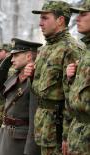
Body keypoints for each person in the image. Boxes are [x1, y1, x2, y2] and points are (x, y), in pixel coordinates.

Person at [24, 1, 82, 154]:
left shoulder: (70, 49)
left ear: (60, 20)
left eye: (45, 18)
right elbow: (41, 91)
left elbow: (73, 96)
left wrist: (67, 135)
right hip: (43, 126)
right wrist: (31, 77)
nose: (40, 23)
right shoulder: (45, 49)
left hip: (58, 127)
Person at [0, 38, 42, 155]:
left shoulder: (35, 79)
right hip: (6, 134)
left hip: (20, 140)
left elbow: (34, 120)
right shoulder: (16, 76)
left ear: (29, 56)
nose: (12, 59)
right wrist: (2, 67)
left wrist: (30, 150)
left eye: (16, 55)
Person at [65, 1, 90, 154]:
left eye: (83, 14)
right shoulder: (86, 51)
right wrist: (71, 78)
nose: (77, 19)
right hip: (78, 133)